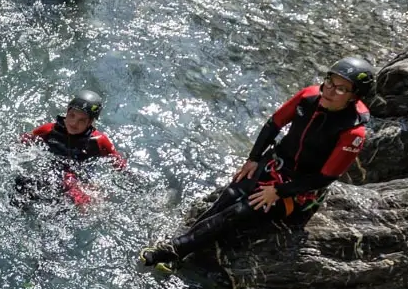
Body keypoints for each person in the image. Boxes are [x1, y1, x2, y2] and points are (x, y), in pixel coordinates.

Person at [138, 57, 374, 271]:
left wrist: (278, 191)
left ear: (354, 96)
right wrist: (253, 159)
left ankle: (173, 250)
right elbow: (274, 124)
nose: (330, 91)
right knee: (230, 194)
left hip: (301, 189)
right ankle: (183, 247)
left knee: (241, 211)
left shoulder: (353, 132)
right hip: (276, 165)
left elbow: (325, 177)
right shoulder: (309, 96)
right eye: (330, 82)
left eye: (341, 89)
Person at [16, 90, 128, 204]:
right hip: (52, 170)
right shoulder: (49, 130)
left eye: (82, 120)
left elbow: (118, 163)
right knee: (23, 183)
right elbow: (25, 140)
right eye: (72, 115)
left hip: (80, 175)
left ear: (90, 122)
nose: (74, 123)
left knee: (78, 194)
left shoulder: (99, 141)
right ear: (67, 112)